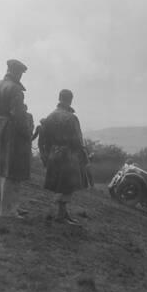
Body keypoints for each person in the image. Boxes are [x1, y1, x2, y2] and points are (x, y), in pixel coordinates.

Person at [0, 59, 32, 218]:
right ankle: (8, 210)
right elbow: (18, 116)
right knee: (12, 171)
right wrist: (27, 133)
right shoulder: (15, 90)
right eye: (20, 73)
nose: (21, 76)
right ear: (17, 73)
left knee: (4, 170)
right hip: (13, 133)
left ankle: (12, 206)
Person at [40, 89, 90, 224]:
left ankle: (63, 213)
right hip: (69, 155)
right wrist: (83, 155)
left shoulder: (50, 116)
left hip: (54, 153)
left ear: (59, 98)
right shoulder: (71, 118)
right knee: (68, 185)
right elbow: (77, 140)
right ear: (70, 100)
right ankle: (61, 215)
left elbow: (44, 138)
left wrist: (47, 155)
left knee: (59, 185)